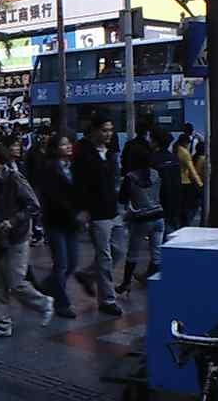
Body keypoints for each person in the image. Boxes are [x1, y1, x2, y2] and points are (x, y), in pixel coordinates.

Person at [0, 142, 54, 338]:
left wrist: (12, 221)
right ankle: (1, 324)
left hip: (16, 237)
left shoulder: (14, 178)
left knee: (16, 282)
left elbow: (33, 205)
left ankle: (44, 303)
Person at [73, 115, 126, 317]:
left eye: (110, 130)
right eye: (104, 130)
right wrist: (83, 209)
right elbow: (79, 184)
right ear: (94, 130)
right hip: (97, 213)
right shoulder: (83, 153)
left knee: (119, 251)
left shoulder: (111, 152)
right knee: (104, 257)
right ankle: (107, 300)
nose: (108, 134)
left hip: (113, 210)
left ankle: (88, 275)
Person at [40, 133, 82, 318]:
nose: (68, 146)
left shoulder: (72, 167)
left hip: (71, 223)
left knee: (72, 262)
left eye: (69, 143)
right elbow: (54, 198)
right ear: (55, 148)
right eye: (64, 144)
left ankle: (48, 285)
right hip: (55, 222)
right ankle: (61, 303)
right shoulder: (49, 168)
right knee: (62, 264)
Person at [116, 142, 164, 294]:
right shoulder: (156, 174)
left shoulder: (130, 177)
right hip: (159, 216)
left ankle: (126, 283)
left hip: (141, 219)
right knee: (156, 253)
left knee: (133, 253)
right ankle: (157, 284)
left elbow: (122, 199)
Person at [150, 127, 180, 234]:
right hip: (174, 203)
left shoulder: (152, 160)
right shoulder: (174, 159)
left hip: (158, 204)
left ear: (155, 141)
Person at [175, 134, 203, 227]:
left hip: (178, 180)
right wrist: (199, 183)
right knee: (189, 207)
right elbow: (191, 169)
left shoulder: (176, 149)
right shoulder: (185, 153)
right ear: (185, 142)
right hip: (185, 181)